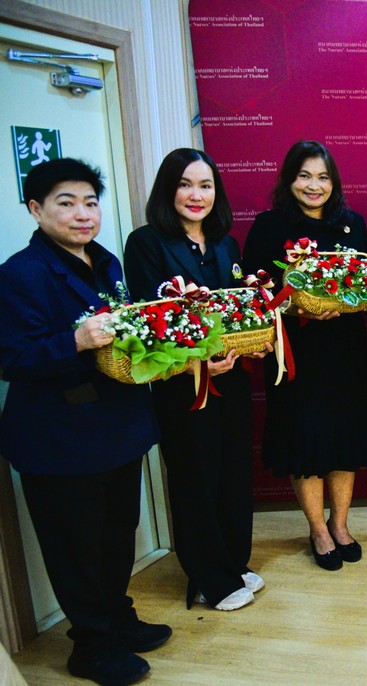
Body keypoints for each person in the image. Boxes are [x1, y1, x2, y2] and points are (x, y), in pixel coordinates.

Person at [0, 158, 169, 684]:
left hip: (117, 428)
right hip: (61, 441)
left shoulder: (106, 261)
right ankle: (91, 646)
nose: (82, 214)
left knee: (117, 535)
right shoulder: (20, 274)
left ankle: (116, 617)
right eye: (66, 203)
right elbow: (12, 358)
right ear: (36, 210)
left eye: (90, 203)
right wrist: (73, 341)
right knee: (75, 548)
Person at [123, 148, 266, 610]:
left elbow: (236, 311)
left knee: (233, 473)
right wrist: (195, 364)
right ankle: (209, 577)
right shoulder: (146, 243)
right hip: (182, 386)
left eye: (205, 185)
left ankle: (233, 562)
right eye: (185, 184)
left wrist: (254, 339)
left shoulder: (226, 244)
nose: (196, 195)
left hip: (232, 379)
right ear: (168, 189)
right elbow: (148, 322)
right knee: (195, 479)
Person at [243, 141, 367, 571]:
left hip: (344, 350)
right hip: (296, 354)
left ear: (333, 182)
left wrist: (350, 299)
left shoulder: (352, 224)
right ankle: (318, 529)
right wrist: (294, 307)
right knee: (305, 440)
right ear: (289, 179)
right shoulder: (269, 226)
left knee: (344, 439)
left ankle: (340, 524)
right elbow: (255, 292)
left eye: (322, 177)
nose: (313, 185)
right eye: (304, 176)